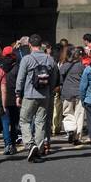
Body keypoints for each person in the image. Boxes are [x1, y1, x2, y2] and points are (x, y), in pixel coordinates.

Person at [15, 34, 59, 162]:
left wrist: (18, 94)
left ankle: (30, 144)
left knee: (24, 121)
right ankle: (39, 149)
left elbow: (21, 78)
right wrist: (49, 91)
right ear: (41, 45)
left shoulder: (27, 59)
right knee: (41, 123)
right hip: (44, 95)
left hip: (29, 95)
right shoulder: (49, 59)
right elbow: (54, 78)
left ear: (29, 45)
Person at [59, 45, 85, 144]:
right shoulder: (81, 66)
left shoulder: (64, 66)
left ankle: (70, 129)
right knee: (79, 114)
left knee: (68, 113)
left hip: (67, 93)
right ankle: (77, 137)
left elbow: (60, 80)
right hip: (79, 92)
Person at [0, 45, 20, 154]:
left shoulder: (0, 67)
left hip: (3, 96)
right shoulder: (17, 66)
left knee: (5, 122)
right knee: (14, 122)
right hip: (15, 97)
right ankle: (14, 145)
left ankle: (7, 144)